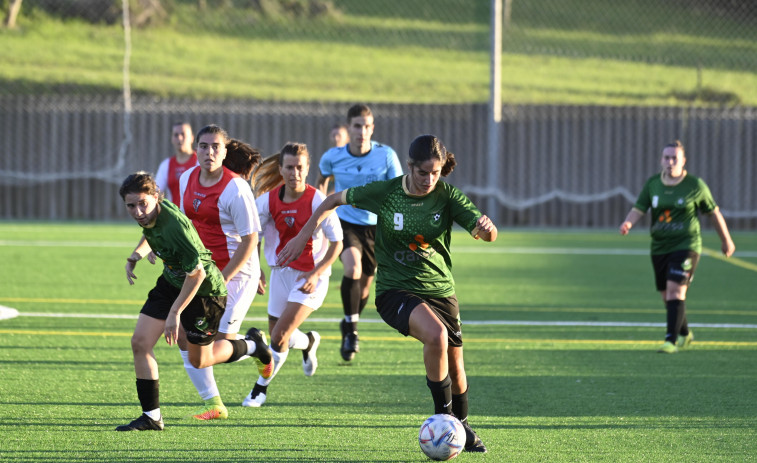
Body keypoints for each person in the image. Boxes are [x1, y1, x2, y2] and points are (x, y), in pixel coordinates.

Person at [279, 134, 495, 453]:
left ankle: (460, 427)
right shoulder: (388, 192)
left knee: (456, 365)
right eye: (423, 173)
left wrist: (487, 229)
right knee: (436, 336)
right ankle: (444, 420)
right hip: (395, 290)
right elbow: (332, 200)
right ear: (409, 167)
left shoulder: (447, 196)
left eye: (435, 173)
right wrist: (303, 235)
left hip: (440, 290)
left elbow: (487, 233)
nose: (429, 180)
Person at [116, 172, 273, 431]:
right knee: (140, 342)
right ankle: (152, 417)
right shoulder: (150, 214)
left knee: (201, 359)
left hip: (205, 293)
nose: (138, 211)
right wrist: (137, 255)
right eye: (131, 206)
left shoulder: (175, 226)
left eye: (142, 203)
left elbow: (197, 273)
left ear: (156, 197)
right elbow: (151, 235)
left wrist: (174, 313)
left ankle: (253, 346)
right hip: (171, 282)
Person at [242, 142, 343, 407]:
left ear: (307, 169)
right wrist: (257, 270)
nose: (295, 172)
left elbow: (337, 243)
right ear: (281, 169)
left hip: (311, 277)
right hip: (280, 274)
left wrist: (316, 273)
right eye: (289, 167)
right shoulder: (267, 200)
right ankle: (309, 342)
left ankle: (259, 389)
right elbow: (254, 236)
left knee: (276, 338)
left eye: (300, 167)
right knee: (280, 337)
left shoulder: (319, 200)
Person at [176, 127, 266, 420]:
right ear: (196, 150)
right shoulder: (186, 178)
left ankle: (255, 346)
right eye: (203, 146)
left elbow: (250, 239)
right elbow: (183, 223)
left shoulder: (236, 189)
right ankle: (214, 404)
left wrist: (223, 279)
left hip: (236, 275)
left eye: (216, 147)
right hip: (203, 273)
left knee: (214, 345)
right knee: (183, 337)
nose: (209, 152)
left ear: (225, 152)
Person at [619, 140, 735, 354]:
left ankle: (670, 341)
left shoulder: (695, 185)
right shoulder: (653, 184)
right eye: (666, 158)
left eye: (675, 158)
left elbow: (713, 212)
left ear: (683, 161)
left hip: (687, 245)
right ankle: (685, 333)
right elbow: (639, 208)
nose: (670, 162)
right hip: (660, 246)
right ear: (661, 160)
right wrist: (628, 222)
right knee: (667, 296)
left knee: (675, 291)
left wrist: (726, 239)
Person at [316, 104, 403, 361]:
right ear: (348, 128)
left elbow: (398, 190)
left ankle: (348, 322)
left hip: (376, 226)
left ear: (372, 128)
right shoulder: (333, 156)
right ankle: (352, 331)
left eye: (366, 126)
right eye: (357, 126)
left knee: (365, 287)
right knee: (352, 269)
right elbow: (321, 182)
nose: (362, 131)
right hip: (345, 222)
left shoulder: (386, 156)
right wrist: (324, 214)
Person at [155, 121, 197, 205]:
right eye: (176, 135)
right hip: (175, 216)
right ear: (172, 139)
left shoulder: (200, 162)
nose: (180, 138)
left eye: (183, 134)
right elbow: (155, 192)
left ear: (192, 138)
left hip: (197, 216)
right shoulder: (166, 165)